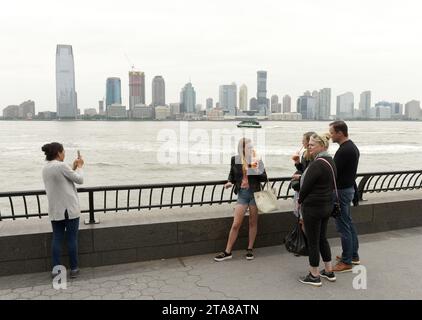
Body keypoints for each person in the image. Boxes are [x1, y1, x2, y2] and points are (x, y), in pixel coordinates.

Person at [214, 138, 267, 262]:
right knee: (236, 224)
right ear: (242, 148)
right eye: (248, 147)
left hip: (254, 194)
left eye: (251, 147)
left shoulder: (256, 159)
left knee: (252, 222)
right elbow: (232, 174)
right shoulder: (235, 159)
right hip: (242, 194)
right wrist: (229, 182)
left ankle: (249, 249)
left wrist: (253, 169)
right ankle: (227, 252)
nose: (251, 149)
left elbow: (264, 177)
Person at [297, 133, 336, 286]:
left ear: (321, 146)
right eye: (309, 144)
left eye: (312, 145)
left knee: (313, 241)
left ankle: (314, 275)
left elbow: (305, 187)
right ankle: (329, 270)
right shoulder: (330, 161)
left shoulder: (317, 164)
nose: (309, 147)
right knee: (322, 238)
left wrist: (300, 201)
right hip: (326, 205)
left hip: (313, 208)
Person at [41, 142, 84, 278]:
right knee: (72, 239)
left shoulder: (46, 168)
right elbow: (80, 180)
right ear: (58, 153)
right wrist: (80, 167)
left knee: (57, 239)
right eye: (63, 151)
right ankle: (74, 269)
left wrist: (73, 167)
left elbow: (62, 178)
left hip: (55, 210)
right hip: (69, 210)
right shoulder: (61, 166)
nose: (64, 153)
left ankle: (56, 271)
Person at [329, 121, 360, 272]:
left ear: (340, 133)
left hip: (341, 192)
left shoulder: (344, 150)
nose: (330, 136)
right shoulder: (351, 147)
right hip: (348, 190)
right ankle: (353, 255)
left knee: (343, 227)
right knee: (348, 223)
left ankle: (346, 261)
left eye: (332, 133)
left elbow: (333, 172)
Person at [291, 131, 315, 231]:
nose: (302, 142)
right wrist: (297, 162)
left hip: (306, 188)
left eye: (303, 140)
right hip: (302, 186)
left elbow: (309, 174)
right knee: (301, 216)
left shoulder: (313, 156)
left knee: (303, 218)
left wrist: (299, 177)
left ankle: (306, 241)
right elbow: (302, 169)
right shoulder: (305, 153)